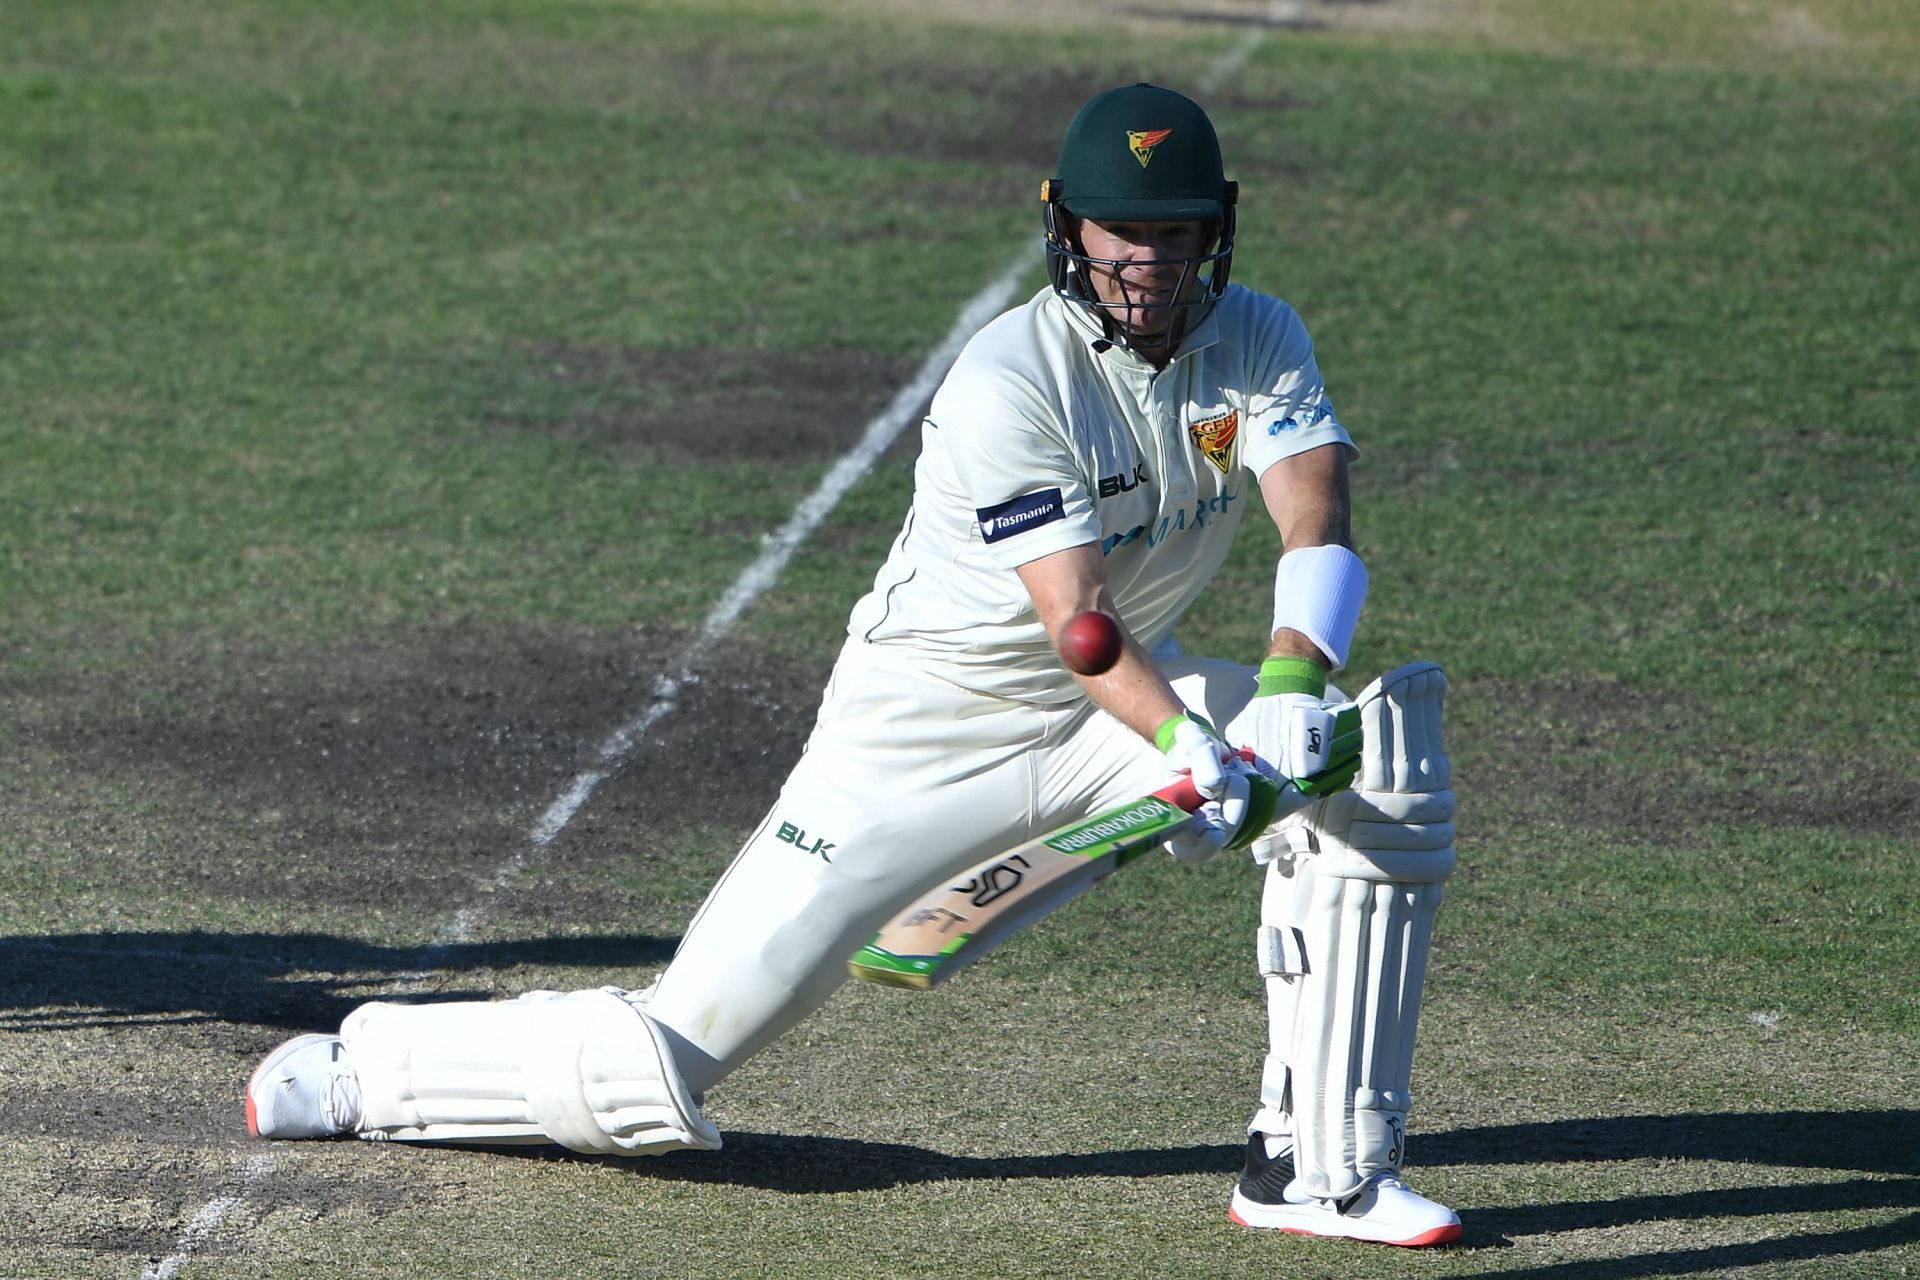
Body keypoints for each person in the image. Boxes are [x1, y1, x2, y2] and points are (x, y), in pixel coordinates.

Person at [245, 83, 1461, 1247]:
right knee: (669, 1057)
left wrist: (1295, 685)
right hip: (922, 735)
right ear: (1066, 228)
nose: (1151, 259)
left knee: (1374, 763)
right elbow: (1079, 621)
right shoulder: (1009, 379)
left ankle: (1318, 1165)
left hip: (1111, 720)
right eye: (1124, 231)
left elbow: (1316, 506)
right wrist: (1193, 749)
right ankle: (372, 1071)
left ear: (1217, 229)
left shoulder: (1256, 334)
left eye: (1177, 230)